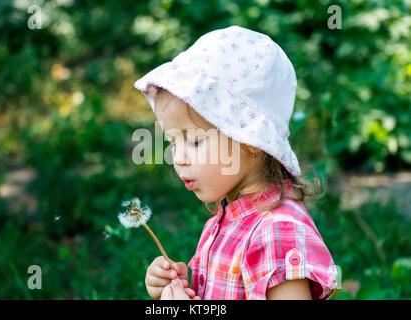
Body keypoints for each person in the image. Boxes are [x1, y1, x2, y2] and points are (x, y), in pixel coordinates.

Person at [134, 26, 338, 300]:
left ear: (250, 139)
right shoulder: (226, 221)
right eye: (172, 142)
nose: (177, 157)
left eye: (194, 141)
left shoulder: (276, 231)